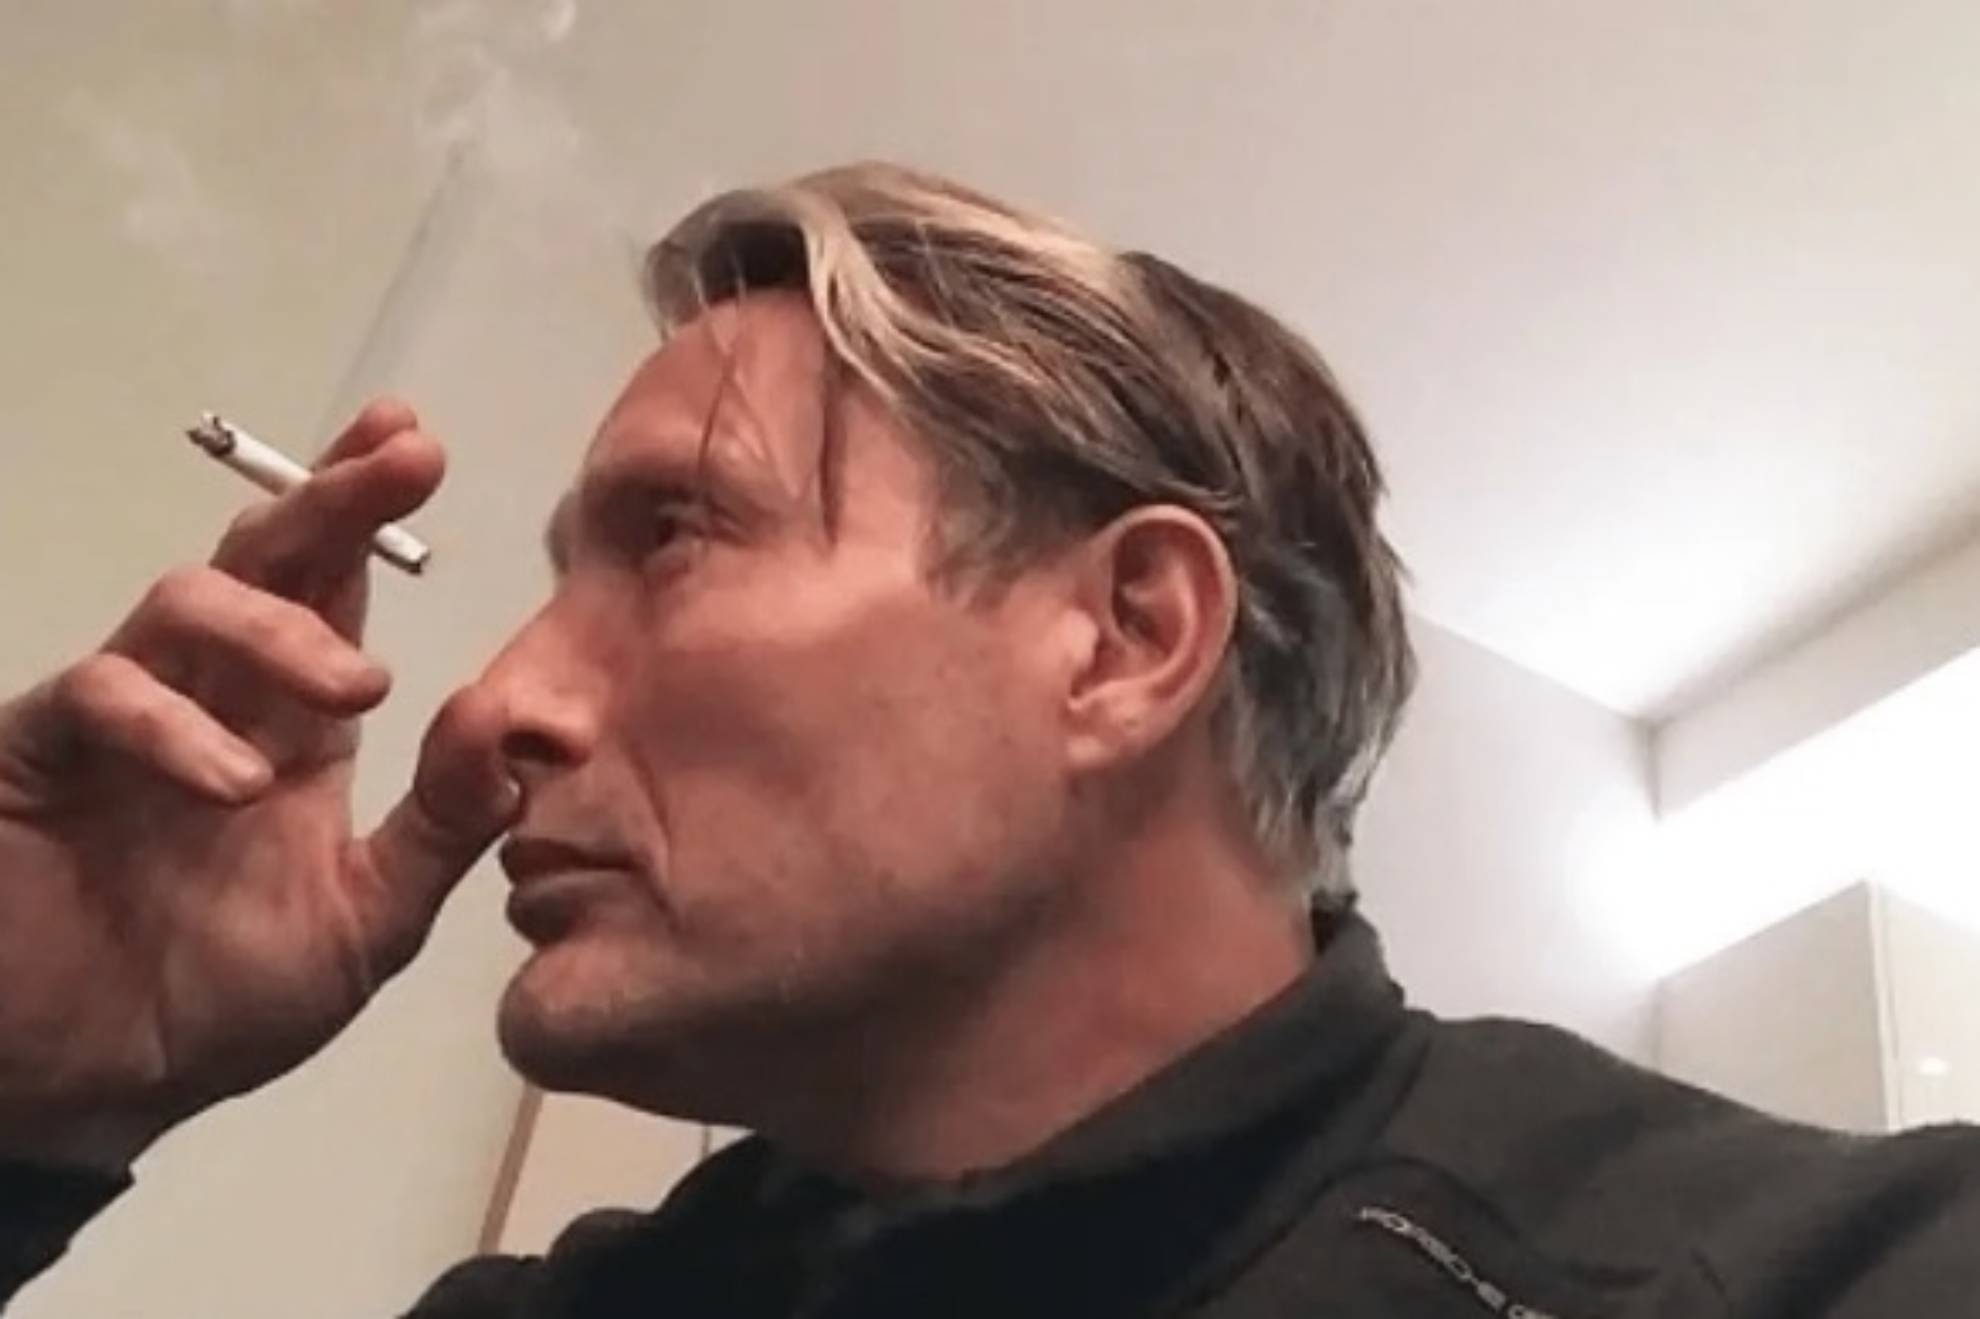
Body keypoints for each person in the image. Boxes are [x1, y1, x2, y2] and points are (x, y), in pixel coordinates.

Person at [0, 163, 1975, 1319]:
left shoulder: (1807, 1277)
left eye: (672, 538)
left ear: (1125, 638)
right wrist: (35, 1106)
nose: (488, 711)